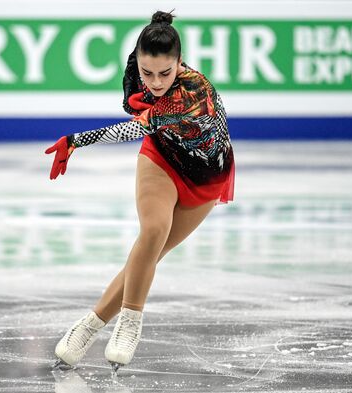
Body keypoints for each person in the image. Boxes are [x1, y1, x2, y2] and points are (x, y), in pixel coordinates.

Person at [45, 9, 235, 373]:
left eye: (165, 72)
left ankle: (90, 325)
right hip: (162, 157)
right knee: (152, 232)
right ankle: (130, 321)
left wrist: (76, 141)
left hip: (207, 177)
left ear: (179, 63)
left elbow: (134, 128)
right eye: (148, 72)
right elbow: (141, 121)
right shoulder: (136, 70)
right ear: (138, 61)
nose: (155, 81)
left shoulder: (192, 90)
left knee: (150, 253)